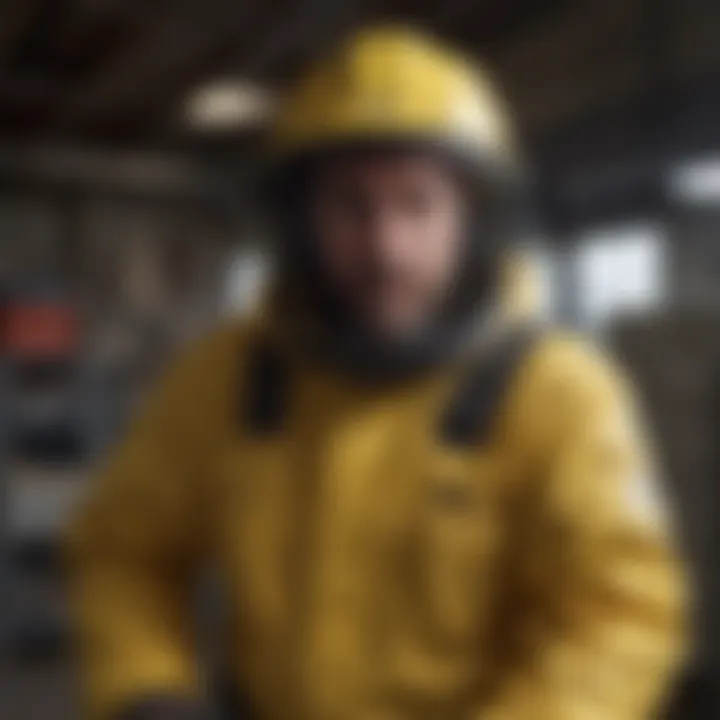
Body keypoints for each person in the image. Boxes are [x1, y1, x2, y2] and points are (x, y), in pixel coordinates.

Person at [66, 26, 687, 720]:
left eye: (418, 204)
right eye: (350, 205)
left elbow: (619, 615)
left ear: (470, 221)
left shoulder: (559, 394)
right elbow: (123, 551)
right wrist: (145, 686)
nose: (387, 248)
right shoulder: (224, 378)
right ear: (302, 222)